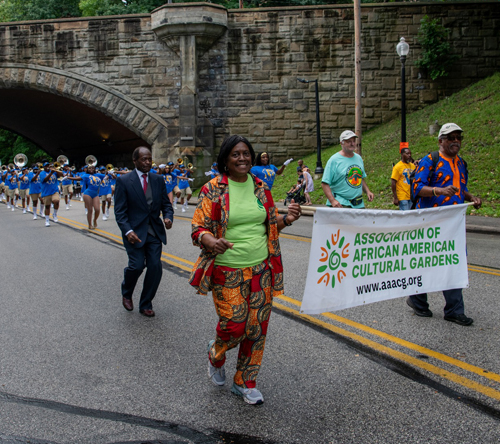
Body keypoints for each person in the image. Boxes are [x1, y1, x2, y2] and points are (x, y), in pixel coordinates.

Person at [189, 135, 302, 405]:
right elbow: (198, 227)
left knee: (256, 328)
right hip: (227, 270)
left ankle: (245, 382)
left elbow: (268, 222)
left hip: (262, 269)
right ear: (225, 161)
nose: (242, 158)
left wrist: (286, 218)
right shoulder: (213, 188)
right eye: (236, 155)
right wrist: (211, 241)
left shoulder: (260, 186)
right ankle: (216, 353)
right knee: (235, 326)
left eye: (246, 154)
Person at [407, 123, 482, 326]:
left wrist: (471, 197)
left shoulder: (461, 163)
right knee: (425, 262)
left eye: (459, 137)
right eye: (451, 138)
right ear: (441, 141)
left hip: (453, 224)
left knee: (454, 261)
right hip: (430, 222)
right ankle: (417, 299)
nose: (456, 141)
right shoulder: (431, 160)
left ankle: (454, 310)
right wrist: (438, 191)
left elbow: (459, 188)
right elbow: (416, 188)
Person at [114, 147, 174, 318]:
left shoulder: (157, 179)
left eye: (149, 159)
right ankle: (127, 292)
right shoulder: (124, 181)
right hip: (134, 233)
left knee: (155, 267)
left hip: (154, 231)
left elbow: (166, 205)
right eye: (144, 159)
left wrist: (168, 217)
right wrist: (127, 231)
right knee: (137, 266)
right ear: (135, 161)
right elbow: (120, 212)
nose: (148, 162)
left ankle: (146, 303)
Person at [321, 130, 374, 208]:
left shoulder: (358, 158)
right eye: (348, 141)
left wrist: (368, 191)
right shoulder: (334, 160)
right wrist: (332, 200)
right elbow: (325, 183)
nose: (352, 143)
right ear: (341, 143)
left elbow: (360, 178)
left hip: (358, 204)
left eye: (353, 141)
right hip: (341, 204)